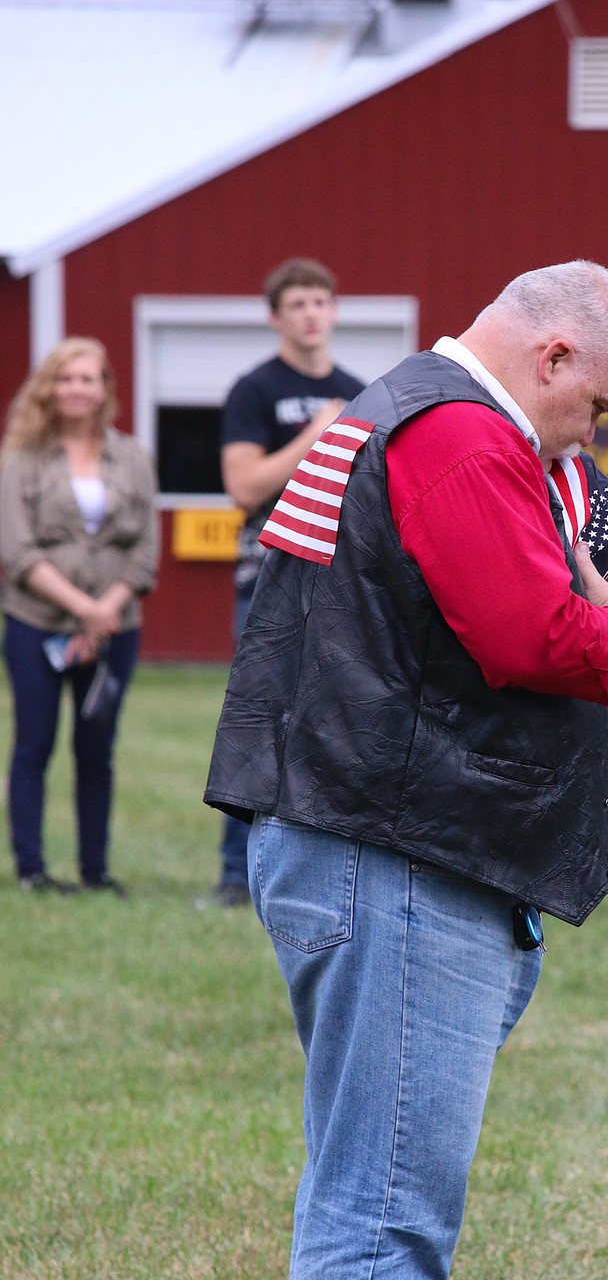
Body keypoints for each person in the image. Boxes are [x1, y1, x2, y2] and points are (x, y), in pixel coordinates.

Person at [205, 260, 608, 1280]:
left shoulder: (410, 409)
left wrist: (584, 577)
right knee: (387, 1184)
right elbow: (531, 632)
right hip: (390, 843)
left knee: (387, 1176)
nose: (598, 435)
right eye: (601, 406)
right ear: (557, 356)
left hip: (370, 829)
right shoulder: (458, 432)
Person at [212, 258, 365, 906]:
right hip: (268, 580)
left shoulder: (360, 390)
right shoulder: (254, 390)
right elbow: (243, 487)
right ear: (276, 316)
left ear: (333, 312)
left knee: (337, 724)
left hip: (338, 582)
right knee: (257, 721)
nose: (310, 313)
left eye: (320, 302)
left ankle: (325, 869)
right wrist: (314, 434)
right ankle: (233, 876)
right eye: (297, 303)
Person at [0, 338, 157, 894]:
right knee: (34, 742)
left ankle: (95, 870)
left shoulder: (132, 457)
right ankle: (32, 870)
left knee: (96, 748)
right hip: (35, 622)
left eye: (87, 379)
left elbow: (144, 551)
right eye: (66, 378)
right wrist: (83, 609)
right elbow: (16, 551)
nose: (76, 389)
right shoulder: (21, 460)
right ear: (49, 387)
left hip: (115, 629)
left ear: (105, 389)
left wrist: (106, 611)